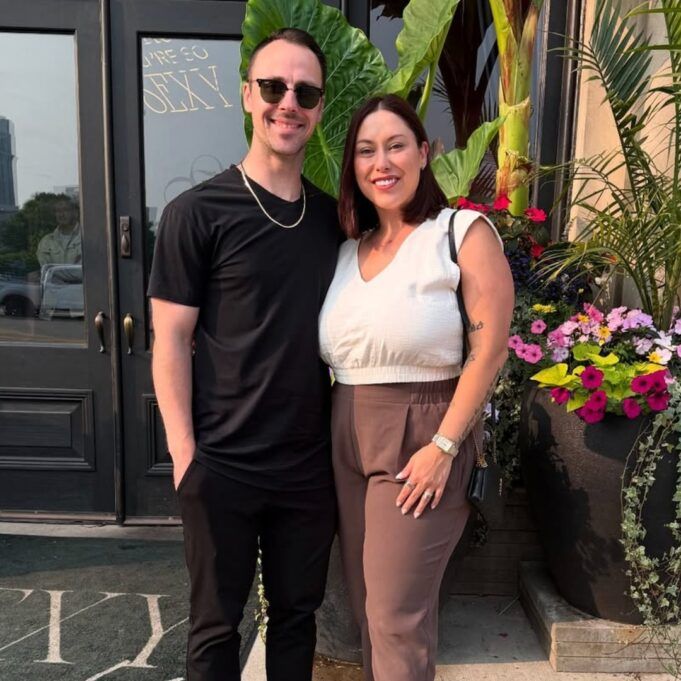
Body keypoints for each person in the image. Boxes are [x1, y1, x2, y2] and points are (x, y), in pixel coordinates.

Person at [148, 28, 341, 681]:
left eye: (305, 92)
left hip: (308, 466)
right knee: (214, 628)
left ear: (319, 107)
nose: (288, 103)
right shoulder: (196, 213)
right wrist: (185, 457)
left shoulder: (333, 221)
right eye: (273, 86)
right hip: (222, 462)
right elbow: (170, 341)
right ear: (246, 95)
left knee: (296, 620)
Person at [319, 94, 514, 681]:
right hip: (345, 429)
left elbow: (490, 350)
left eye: (396, 145)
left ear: (424, 153)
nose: (382, 163)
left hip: (423, 431)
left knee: (396, 617)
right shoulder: (347, 252)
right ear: (353, 167)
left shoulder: (460, 232)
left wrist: (445, 447)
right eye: (366, 151)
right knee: (367, 610)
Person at [36, 197, 82, 267]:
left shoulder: (86, 237)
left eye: (65, 210)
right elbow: (48, 269)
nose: (61, 214)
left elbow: (82, 270)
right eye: (58, 211)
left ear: (75, 213)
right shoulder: (46, 242)